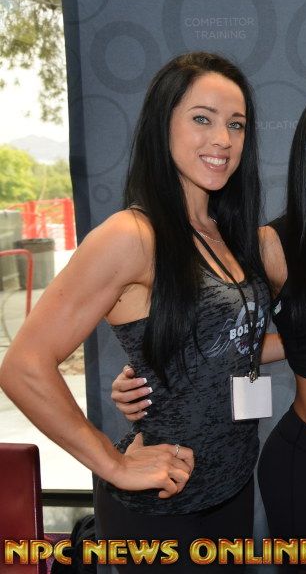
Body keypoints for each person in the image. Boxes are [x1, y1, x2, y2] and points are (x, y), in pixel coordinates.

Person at [114, 89, 306, 573]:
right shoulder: (271, 245)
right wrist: (144, 373)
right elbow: (224, 334)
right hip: (305, 459)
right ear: (305, 153)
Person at [0, 52, 270, 571]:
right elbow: (23, 366)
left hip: (232, 487)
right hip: (163, 510)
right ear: (162, 125)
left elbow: (229, 341)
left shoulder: (224, 232)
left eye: (236, 125)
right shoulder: (132, 235)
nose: (222, 139)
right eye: (202, 118)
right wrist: (113, 463)